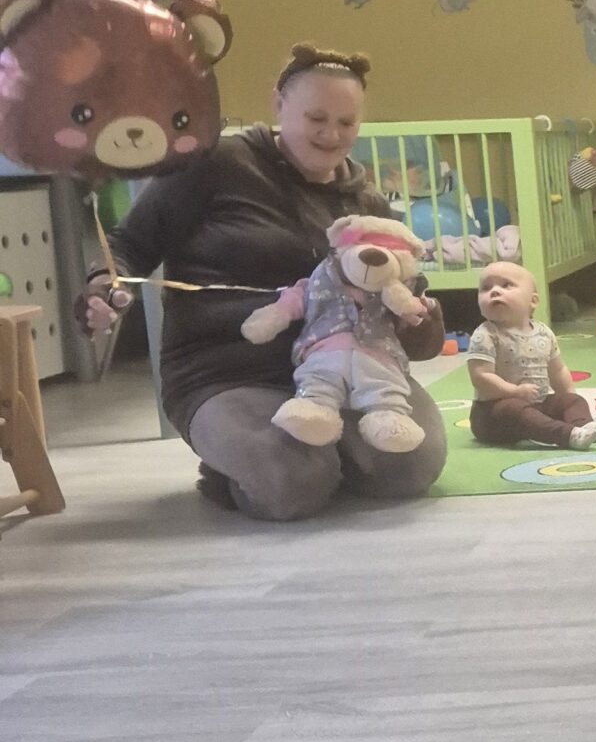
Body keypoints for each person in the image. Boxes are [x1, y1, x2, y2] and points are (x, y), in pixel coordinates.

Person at [80, 43, 448, 521]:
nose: (331, 134)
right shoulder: (213, 164)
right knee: (291, 481)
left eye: (346, 122)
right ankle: (249, 465)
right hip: (228, 374)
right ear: (278, 104)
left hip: (351, 370)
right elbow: (127, 245)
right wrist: (102, 288)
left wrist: (422, 322)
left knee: (411, 466)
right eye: (316, 118)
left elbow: (405, 305)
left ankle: (330, 456)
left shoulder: (366, 203)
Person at [466, 259, 596, 450]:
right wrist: (514, 392)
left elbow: (558, 370)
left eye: (506, 285)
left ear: (533, 301)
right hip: (493, 413)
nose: (495, 291)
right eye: (486, 288)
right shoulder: (486, 334)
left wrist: (567, 398)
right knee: (516, 409)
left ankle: (584, 426)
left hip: (537, 403)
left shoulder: (543, 333)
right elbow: (481, 376)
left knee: (573, 400)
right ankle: (567, 435)